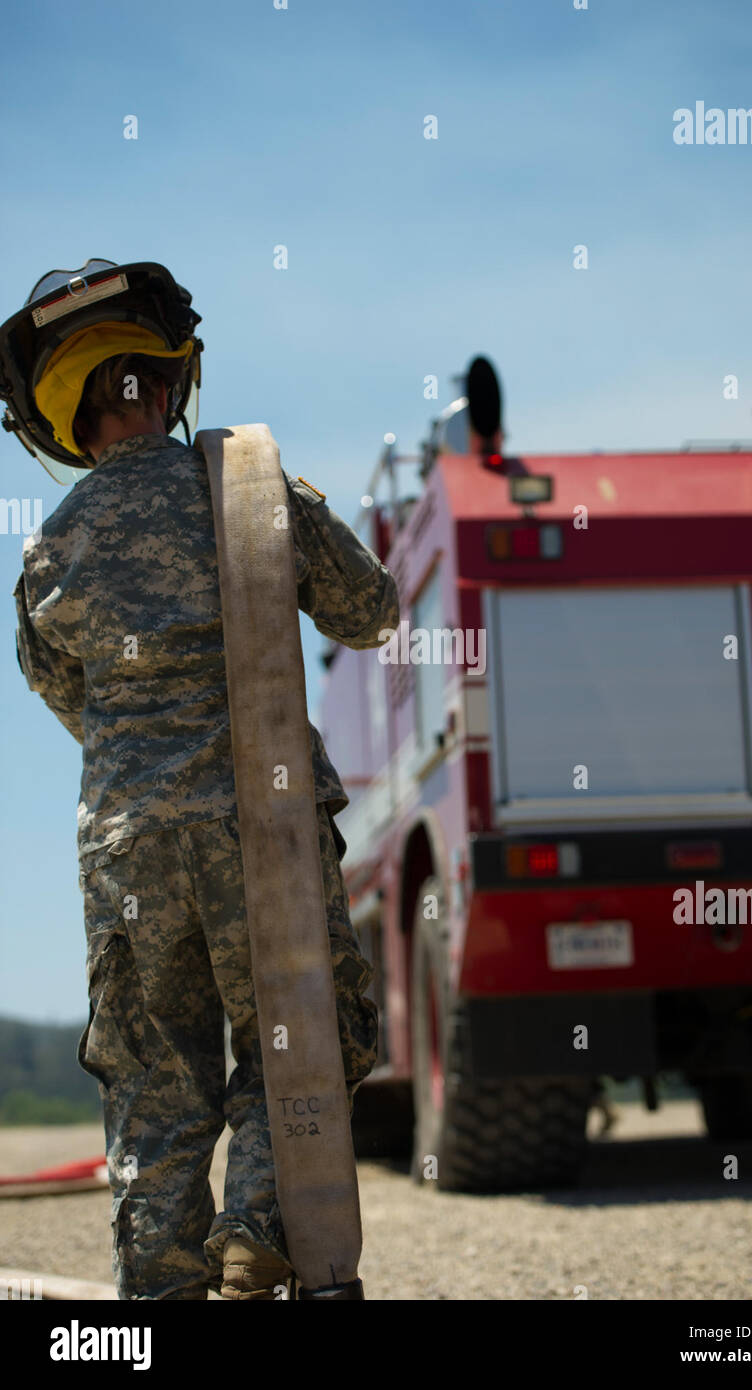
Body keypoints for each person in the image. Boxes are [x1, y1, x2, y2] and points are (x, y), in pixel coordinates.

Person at [3, 260, 399, 1300]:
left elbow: (66, 697)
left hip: (127, 842)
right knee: (301, 1037)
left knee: (150, 1079)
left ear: (73, 422)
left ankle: (158, 1287)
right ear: (171, 387)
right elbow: (370, 611)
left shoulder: (47, 553)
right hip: (259, 826)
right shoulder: (250, 489)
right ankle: (260, 1225)